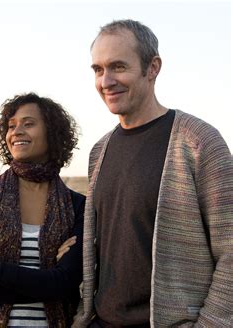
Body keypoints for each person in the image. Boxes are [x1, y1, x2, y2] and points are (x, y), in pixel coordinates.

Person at [72, 19, 233, 328]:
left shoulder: (198, 141)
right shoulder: (99, 151)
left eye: (118, 67)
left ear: (153, 67)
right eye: (98, 69)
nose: (106, 81)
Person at [0, 92, 85, 327]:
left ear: (53, 133)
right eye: (11, 126)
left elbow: (66, 282)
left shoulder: (78, 206)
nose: (16, 132)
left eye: (28, 124)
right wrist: (48, 284)